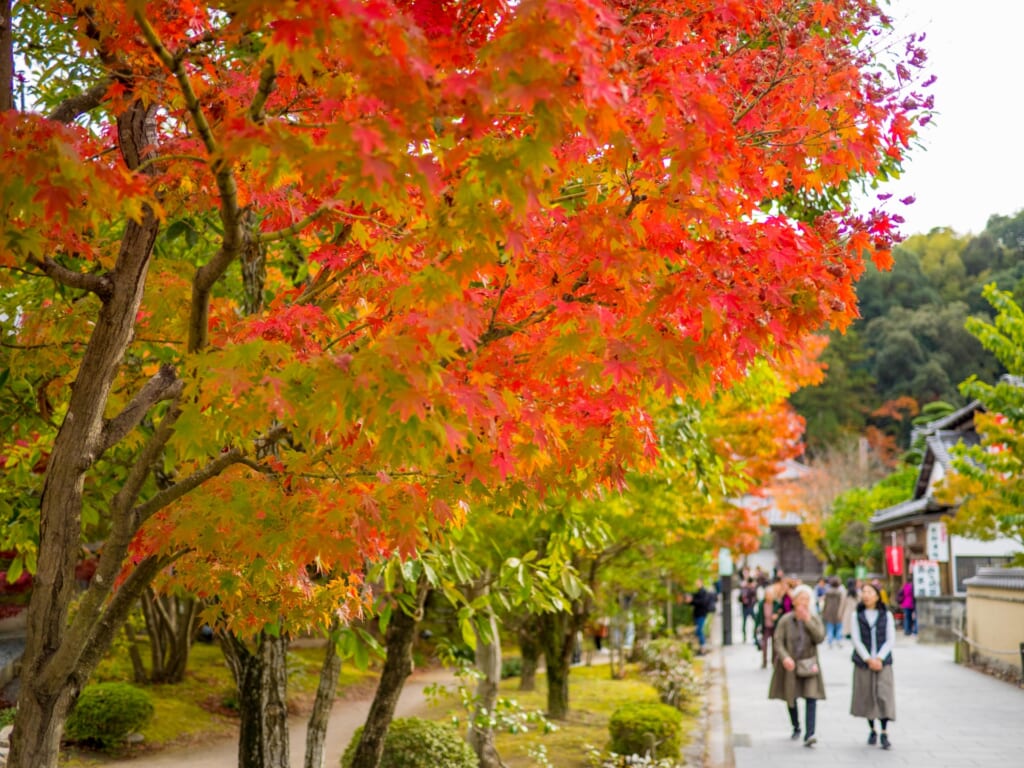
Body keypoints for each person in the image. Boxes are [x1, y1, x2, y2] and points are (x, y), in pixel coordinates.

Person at [768, 584, 826, 747]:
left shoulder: (813, 618)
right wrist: (785, 657)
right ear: (794, 601)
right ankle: (796, 726)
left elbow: (820, 637)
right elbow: (778, 641)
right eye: (801, 598)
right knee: (790, 696)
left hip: (809, 664)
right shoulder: (786, 620)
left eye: (807, 599)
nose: (803, 602)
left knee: (811, 696)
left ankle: (810, 733)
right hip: (790, 665)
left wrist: (807, 620)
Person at [850, 581, 897, 750]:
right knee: (867, 696)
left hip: (883, 662)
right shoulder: (857, 615)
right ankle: (872, 729)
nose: (866, 595)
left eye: (869, 592)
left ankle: (884, 731)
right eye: (864, 592)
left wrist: (880, 658)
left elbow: (890, 639)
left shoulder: (886, 615)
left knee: (884, 695)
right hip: (864, 662)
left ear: (877, 596)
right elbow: (856, 639)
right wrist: (868, 658)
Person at [685, 578, 714, 654]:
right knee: (698, 631)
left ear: (701, 582)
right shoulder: (697, 593)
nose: (697, 584)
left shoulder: (704, 593)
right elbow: (694, 602)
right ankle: (702, 647)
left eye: (698, 582)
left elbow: (701, 602)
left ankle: (703, 647)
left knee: (699, 631)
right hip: (697, 614)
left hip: (701, 614)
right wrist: (690, 601)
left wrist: (692, 600)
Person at [821, 577, 844, 648]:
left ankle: (830, 642)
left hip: (829, 612)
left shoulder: (827, 592)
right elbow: (842, 603)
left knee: (830, 628)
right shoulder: (840, 593)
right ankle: (839, 641)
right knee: (839, 628)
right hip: (838, 612)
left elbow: (825, 603)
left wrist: (823, 612)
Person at [739, 578, 758, 644]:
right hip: (747, 607)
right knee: (745, 623)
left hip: (750, 607)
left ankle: (754, 636)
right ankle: (745, 637)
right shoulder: (745, 589)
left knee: (755, 622)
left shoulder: (747, 588)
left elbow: (755, 597)